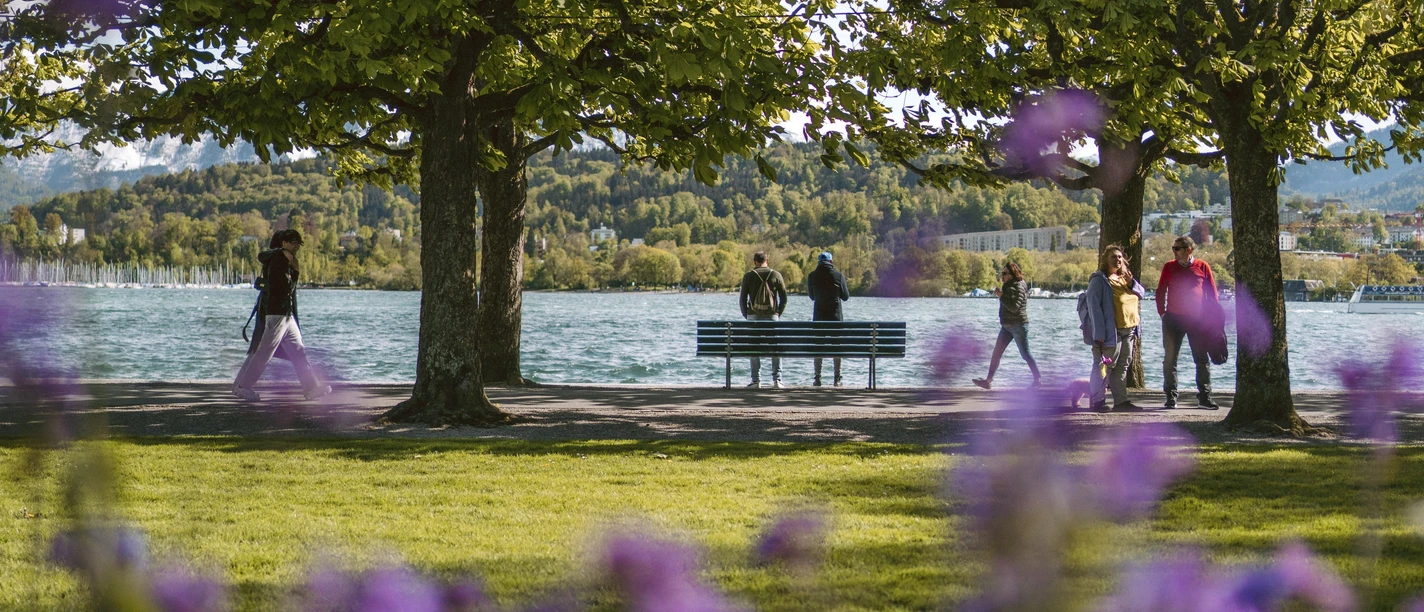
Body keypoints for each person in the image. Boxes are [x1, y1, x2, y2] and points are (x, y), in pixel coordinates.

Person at [232, 229, 331, 402]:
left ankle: (311, 388)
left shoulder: (283, 259)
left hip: (286, 315)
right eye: (293, 243)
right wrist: (295, 271)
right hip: (278, 315)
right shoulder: (280, 261)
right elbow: (285, 289)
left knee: (298, 352)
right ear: (284, 243)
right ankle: (243, 387)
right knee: (264, 353)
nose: (296, 246)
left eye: (298, 243)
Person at [1156, 235, 1220, 409]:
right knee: (1170, 360)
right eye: (1173, 248)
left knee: (1201, 359)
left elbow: (1212, 293)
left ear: (1188, 250)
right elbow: (1161, 290)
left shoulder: (1202, 266)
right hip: (1173, 320)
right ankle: (1170, 397)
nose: (1174, 251)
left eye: (1177, 248)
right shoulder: (1169, 266)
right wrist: (1162, 313)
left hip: (1197, 320)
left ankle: (1205, 398)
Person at [1085, 244, 1145, 412]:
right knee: (1103, 365)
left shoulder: (1124, 278)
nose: (1117, 260)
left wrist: (1131, 282)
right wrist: (1099, 334)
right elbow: (1093, 307)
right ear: (1105, 260)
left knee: (1122, 366)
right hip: (1111, 332)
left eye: (1119, 257)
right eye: (1113, 257)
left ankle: (1121, 402)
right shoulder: (1099, 280)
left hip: (1129, 331)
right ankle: (1097, 401)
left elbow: (1142, 293)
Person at [973, 262, 1042, 390]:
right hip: (1006, 326)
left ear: (1012, 274)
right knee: (996, 353)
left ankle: (1038, 380)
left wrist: (1001, 296)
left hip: (1018, 325)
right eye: (1002, 273)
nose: (1002, 276)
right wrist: (1002, 295)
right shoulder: (1009, 286)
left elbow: (1014, 307)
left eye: (1004, 273)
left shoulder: (1018, 286)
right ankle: (988, 381)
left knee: (1025, 354)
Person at [739, 251, 788, 389]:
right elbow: (784, 298)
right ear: (767, 261)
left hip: (753, 316)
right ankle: (777, 380)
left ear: (755, 262)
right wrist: (777, 313)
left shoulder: (749, 276)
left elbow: (742, 299)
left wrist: (747, 314)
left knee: (754, 347)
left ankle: (756, 380)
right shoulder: (776, 275)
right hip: (772, 316)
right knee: (775, 347)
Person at [807, 251, 849, 387]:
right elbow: (845, 297)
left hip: (819, 318)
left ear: (819, 262)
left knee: (818, 346)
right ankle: (837, 379)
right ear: (831, 262)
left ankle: (817, 378)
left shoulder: (812, 276)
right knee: (837, 347)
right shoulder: (839, 276)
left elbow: (812, 297)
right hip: (835, 318)